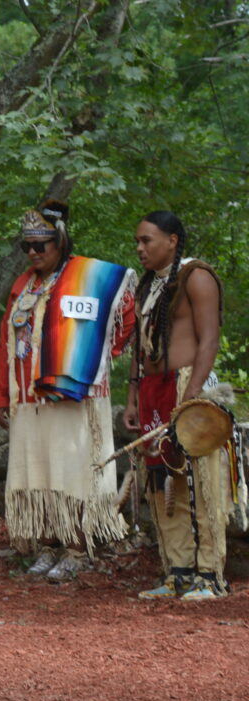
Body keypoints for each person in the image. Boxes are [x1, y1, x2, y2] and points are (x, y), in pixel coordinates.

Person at [0, 201, 135, 581]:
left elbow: (125, 315)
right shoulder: (23, 284)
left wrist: (101, 357)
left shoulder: (88, 276)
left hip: (74, 398)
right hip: (30, 399)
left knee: (72, 468)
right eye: (27, 246)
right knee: (38, 469)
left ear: (61, 241)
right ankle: (48, 543)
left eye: (43, 244)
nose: (35, 252)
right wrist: (1, 394)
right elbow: (5, 341)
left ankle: (76, 546)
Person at [124, 211, 232, 600]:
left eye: (147, 240)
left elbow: (209, 340)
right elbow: (141, 346)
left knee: (198, 483)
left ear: (172, 240)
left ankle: (209, 574)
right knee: (161, 482)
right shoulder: (149, 284)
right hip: (154, 390)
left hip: (189, 387)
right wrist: (133, 396)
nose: (140, 248)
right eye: (137, 241)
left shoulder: (196, 276)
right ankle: (179, 571)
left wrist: (193, 398)